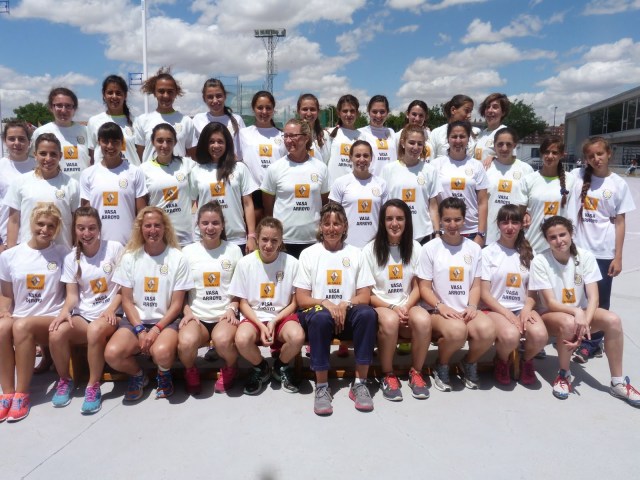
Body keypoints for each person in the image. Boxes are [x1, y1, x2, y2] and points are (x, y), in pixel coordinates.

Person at [529, 216, 640, 405]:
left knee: (613, 320)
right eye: (552, 237)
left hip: (579, 314)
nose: (559, 240)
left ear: (571, 234)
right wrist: (577, 313)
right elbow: (550, 302)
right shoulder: (540, 260)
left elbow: (594, 298)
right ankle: (564, 374)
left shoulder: (585, 256)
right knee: (568, 322)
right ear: (547, 240)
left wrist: (584, 324)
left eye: (562, 234)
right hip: (550, 316)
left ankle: (617, 382)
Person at [295, 203, 378, 415]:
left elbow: (365, 296)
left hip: (347, 314)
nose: (332, 228)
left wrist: (345, 303)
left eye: (337, 223)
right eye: (327, 223)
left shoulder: (357, 254)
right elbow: (301, 298)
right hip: (318, 316)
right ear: (320, 227)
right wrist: (325, 302)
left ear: (345, 226)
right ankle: (322, 386)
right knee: (321, 317)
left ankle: (360, 383)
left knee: (367, 314)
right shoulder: (308, 254)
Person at [104, 207, 194, 401]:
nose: (152, 230)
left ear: (165, 228)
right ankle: (138, 375)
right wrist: (139, 329)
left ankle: (164, 373)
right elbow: (126, 301)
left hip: (166, 322)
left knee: (161, 353)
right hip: (135, 322)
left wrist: (155, 330)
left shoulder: (177, 258)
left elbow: (177, 305)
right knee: (112, 354)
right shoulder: (130, 257)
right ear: (140, 228)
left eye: (157, 225)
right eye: (148, 226)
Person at [47, 207, 124, 414]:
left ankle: (93, 386)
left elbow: (124, 288)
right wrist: (64, 312)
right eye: (81, 228)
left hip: (112, 315)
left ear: (99, 228)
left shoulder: (114, 248)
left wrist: (111, 309)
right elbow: (72, 296)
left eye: (91, 228)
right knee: (56, 333)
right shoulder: (71, 258)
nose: (86, 233)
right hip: (84, 315)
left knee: (95, 330)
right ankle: (65, 380)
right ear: (75, 229)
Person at [567, 137, 636, 363]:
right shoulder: (577, 176)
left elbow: (620, 223)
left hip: (604, 253)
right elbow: (553, 170)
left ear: (609, 154)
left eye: (600, 154)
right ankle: (577, 334)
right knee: (578, 297)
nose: (596, 159)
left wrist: (618, 257)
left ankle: (593, 343)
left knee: (600, 301)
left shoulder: (618, 184)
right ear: (585, 159)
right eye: (591, 156)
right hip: (578, 251)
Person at [417, 197, 496, 391]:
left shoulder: (474, 248)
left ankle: (468, 362)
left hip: (465, 310)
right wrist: (441, 306)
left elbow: (476, 286)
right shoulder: (429, 248)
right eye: (447, 220)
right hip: (438, 311)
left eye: (457, 219)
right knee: (457, 331)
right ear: (440, 221)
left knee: (488, 331)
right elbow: (424, 288)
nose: (452, 225)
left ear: (464, 220)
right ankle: (442, 364)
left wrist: (472, 306)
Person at [0, 203, 68, 422]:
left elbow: (71, 291)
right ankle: (7, 393)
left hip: (50, 317)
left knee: (22, 326)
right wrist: (4, 311)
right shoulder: (10, 256)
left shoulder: (62, 253)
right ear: (31, 223)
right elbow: (6, 295)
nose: (45, 230)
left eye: (51, 226)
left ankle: (22, 394)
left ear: (56, 229)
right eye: (40, 224)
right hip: (21, 315)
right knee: (2, 328)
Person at [362, 199, 432, 401]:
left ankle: (416, 372)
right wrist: (392, 307)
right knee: (391, 321)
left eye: (400, 218)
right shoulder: (370, 250)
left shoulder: (416, 248)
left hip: (407, 304)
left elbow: (419, 286)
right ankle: (388, 374)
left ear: (407, 221)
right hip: (381, 305)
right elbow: (367, 293)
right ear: (382, 222)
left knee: (423, 320)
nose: (394, 223)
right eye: (389, 219)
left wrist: (407, 306)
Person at [231, 217, 304, 395]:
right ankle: (261, 367)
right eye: (264, 239)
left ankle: (281, 366)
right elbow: (243, 302)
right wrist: (260, 325)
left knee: (297, 337)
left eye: (274, 240)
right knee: (241, 339)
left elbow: (294, 302)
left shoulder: (292, 263)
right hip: (254, 316)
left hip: (282, 317)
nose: (269, 245)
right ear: (257, 239)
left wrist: (273, 321)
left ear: (281, 241)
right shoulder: (245, 263)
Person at [179, 202, 243, 395]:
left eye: (215, 223)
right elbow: (180, 290)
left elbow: (241, 287)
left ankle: (231, 367)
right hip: (197, 317)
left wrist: (233, 307)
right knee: (186, 343)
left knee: (222, 341)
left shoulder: (233, 250)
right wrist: (187, 312)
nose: (210, 227)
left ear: (223, 225)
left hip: (224, 315)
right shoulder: (188, 252)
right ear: (198, 225)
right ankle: (190, 371)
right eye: (205, 223)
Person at [480, 205, 547, 386]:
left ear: (521, 225)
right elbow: (484, 294)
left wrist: (526, 309)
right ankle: (501, 360)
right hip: (495, 309)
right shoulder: (487, 253)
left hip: (521, 308)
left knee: (540, 336)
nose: (510, 227)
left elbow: (532, 292)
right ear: (498, 225)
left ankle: (526, 360)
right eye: (505, 222)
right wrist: (508, 314)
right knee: (511, 336)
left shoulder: (529, 254)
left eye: (514, 222)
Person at [261, 118, 329, 258]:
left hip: (313, 240)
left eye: (293, 136)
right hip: (283, 241)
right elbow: (268, 208)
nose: (288, 140)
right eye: (285, 136)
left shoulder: (321, 168)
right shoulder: (275, 168)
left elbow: (324, 204)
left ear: (306, 137)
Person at [190, 122, 257, 254]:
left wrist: (251, 236)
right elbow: (192, 205)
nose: (216, 146)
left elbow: (248, 204)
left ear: (227, 144)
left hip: (236, 238)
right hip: (206, 238)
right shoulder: (196, 170)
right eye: (211, 141)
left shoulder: (240, 168)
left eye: (220, 141)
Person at [5, 133, 80, 249]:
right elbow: (13, 221)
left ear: (60, 156)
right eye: (43, 153)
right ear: (35, 155)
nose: (48, 159)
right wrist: (11, 251)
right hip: (29, 253)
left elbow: (77, 222)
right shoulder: (20, 182)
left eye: (53, 154)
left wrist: (77, 250)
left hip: (63, 253)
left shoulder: (72, 184)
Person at [79, 122, 147, 245]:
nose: (110, 146)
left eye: (115, 142)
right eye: (105, 141)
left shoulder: (135, 172)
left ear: (122, 143)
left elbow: (141, 213)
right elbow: (86, 215)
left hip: (129, 245)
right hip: (97, 246)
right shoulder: (87, 174)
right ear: (99, 142)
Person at [432, 121, 490, 247]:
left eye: (462, 136)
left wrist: (481, 234)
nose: (458, 140)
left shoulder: (477, 166)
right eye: (454, 136)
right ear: (448, 139)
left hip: (471, 232)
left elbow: (482, 202)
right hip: (444, 231)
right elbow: (433, 203)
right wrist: (436, 232)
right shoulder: (436, 165)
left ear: (468, 139)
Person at [514, 135, 575, 254]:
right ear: (541, 154)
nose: (550, 156)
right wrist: (525, 214)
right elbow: (519, 214)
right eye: (546, 152)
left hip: (559, 247)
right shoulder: (528, 180)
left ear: (562, 155)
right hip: (532, 245)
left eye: (555, 153)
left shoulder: (571, 180)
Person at [382, 124, 441, 244]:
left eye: (420, 144)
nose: (416, 147)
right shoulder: (388, 169)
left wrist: (437, 233)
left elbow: (433, 206)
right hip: (396, 234)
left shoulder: (430, 170)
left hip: (424, 235)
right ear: (403, 143)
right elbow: (383, 205)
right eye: (412, 143)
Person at [140, 123, 195, 246]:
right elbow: (142, 208)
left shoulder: (188, 164)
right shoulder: (143, 169)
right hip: (158, 238)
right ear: (153, 142)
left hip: (185, 238)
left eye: (169, 141)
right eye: (160, 141)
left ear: (175, 142)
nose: (164, 145)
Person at [329, 140, 387, 248]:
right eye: (357, 155)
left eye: (366, 155)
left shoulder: (381, 184)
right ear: (350, 157)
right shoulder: (340, 182)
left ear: (371, 158)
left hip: (374, 247)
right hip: (346, 246)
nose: (362, 159)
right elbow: (332, 217)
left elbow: (385, 217)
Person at [238, 90, 286, 216]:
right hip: (252, 193)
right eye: (260, 108)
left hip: (277, 192)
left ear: (273, 110)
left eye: (268, 108)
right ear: (253, 109)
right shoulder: (243, 134)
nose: (264, 112)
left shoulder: (282, 136)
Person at [134, 67, 196, 163]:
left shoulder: (186, 121)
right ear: (155, 93)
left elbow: (193, 155)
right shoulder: (142, 120)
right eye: (161, 91)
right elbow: (139, 155)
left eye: (170, 91)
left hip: (178, 172)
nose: (166, 95)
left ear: (176, 93)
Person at [485, 127, 533, 243]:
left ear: (514, 145)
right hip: (489, 234)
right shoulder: (486, 168)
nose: (504, 148)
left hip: (516, 235)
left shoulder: (526, 169)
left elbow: (531, 200)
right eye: (500, 144)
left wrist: (527, 213)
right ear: (494, 146)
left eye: (508, 144)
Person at [31, 87, 90, 181]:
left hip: (83, 187)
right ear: (51, 107)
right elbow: (32, 161)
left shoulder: (85, 131)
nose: (63, 110)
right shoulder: (40, 132)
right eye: (59, 105)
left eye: (68, 106)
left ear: (74, 108)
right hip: (53, 187)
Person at [87, 75, 141, 166]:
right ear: (104, 95)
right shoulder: (94, 121)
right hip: (103, 174)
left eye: (118, 93)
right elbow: (91, 156)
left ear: (125, 95)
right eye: (110, 93)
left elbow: (141, 154)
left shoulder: (136, 122)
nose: (114, 96)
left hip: (130, 173)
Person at [1, 121, 36, 251]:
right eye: (11, 139)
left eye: (21, 139)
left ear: (29, 142)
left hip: (35, 238)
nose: (17, 143)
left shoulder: (39, 166)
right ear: (4, 141)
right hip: (6, 240)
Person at [192, 78, 246, 157]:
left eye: (219, 96)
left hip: (231, 164)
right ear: (204, 99)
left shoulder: (237, 120)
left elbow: (244, 148)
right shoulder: (198, 119)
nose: (215, 100)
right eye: (210, 97)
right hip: (206, 164)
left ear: (225, 96)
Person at [358, 95, 397, 176]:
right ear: (368, 111)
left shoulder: (391, 132)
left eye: (382, 112)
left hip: (391, 180)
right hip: (370, 181)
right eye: (374, 112)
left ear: (387, 112)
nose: (378, 115)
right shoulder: (360, 133)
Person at [327, 94, 362, 184]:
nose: (349, 114)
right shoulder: (329, 133)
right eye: (345, 111)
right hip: (333, 186)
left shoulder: (362, 136)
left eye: (352, 111)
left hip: (354, 185)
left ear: (357, 113)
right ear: (339, 113)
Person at [429, 94, 474, 159]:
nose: (469, 115)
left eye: (470, 112)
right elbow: (430, 160)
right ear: (453, 110)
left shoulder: (475, 134)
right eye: (466, 111)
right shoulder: (436, 133)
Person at [474, 93, 510, 166]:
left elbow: (511, 158)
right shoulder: (482, 134)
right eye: (487, 107)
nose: (490, 110)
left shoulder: (506, 133)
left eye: (495, 107)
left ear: (503, 112)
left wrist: (494, 157)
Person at [297, 93, 330, 164]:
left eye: (312, 109)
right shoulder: (291, 136)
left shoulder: (326, 136)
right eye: (305, 109)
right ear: (298, 111)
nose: (309, 113)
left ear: (318, 111)